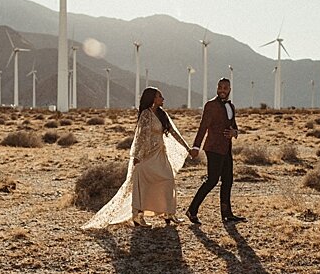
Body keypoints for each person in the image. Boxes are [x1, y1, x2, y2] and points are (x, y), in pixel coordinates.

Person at [82, 87, 194, 230]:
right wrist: (137, 157)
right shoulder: (146, 115)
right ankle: (138, 216)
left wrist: (187, 147)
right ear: (153, 98)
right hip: (147, 156)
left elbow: (174, 133)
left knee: (168, 180)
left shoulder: (162, 114)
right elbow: (141, 137)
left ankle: (168, 213)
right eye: (160, 96)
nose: (163, 99)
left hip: (160, 154)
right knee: (143, 184)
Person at [187, 76, 240, 226]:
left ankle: (227, 214)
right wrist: (196, 147)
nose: (222, 90)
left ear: (229, 89)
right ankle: (192, 210)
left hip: (226, 148)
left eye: (225, 88)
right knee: (212, 180)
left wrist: (234, 133)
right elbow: (203, 126)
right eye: (220, 87)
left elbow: (234, 127)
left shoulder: (231, 106)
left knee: (228, 180)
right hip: (213, 148)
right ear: (217, 88)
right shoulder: (210, 105)